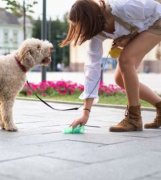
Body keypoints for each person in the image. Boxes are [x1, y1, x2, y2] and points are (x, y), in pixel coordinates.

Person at [60, 0, 161, 132]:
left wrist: (132, 36)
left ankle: (134, 118)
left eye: (82, 26)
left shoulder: (121, 7)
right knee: (119, 78)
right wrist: (85, 113)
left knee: (125, 59)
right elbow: (92, 70)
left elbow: (157, 9)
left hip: (158, 19)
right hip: (147, 26)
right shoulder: (96, 34)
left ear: (90, 19)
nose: (81, 30)